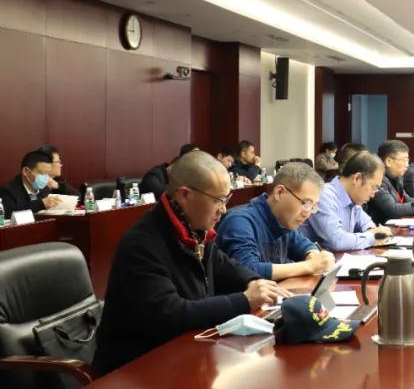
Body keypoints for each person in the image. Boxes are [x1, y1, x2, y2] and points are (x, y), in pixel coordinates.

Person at [92, 151, 290, 375]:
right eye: (218, 200)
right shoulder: (141, 245)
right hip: (135, 372)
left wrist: (253, 281)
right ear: (185, 195)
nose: (224, 209)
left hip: (183, 355)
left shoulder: (194, 227)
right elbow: (172, 314)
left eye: (226, 199)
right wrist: (244, 300)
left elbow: (222, 264)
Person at [216, 163, 334, 281]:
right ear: (279, 192)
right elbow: (248, 269)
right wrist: (309, 266)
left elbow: (303, 244)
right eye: (306, 204)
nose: (307, 213)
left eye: (313, 206)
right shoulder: (240, 222)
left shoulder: (283, 221)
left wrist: (312, 253)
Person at [299, 152, 393, 252]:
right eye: (373, 187)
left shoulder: (354, 200)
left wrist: (374, 232)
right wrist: (374, 237)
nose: (373, 195)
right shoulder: (324, 196)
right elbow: (337, 241)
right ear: (357, 179)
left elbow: (368, 225)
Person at [367, 140, 414, 225]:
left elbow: (407, 200)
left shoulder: (397, 179)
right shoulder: (379, 181)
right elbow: (393, 209)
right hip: (381, 228)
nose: (407, 164)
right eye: (404, 160)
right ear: (388, 161)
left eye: (407, 160)